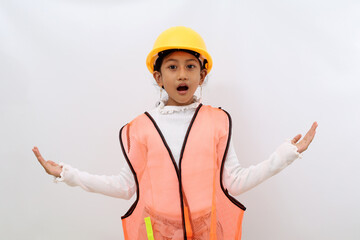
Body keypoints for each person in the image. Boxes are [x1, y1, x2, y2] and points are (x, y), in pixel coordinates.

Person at [33, 26, 318, 240]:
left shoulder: (217, 120)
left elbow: (235, 181)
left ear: (201, 76)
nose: (182, 74)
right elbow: (126, 186)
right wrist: (67, 174)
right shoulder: (139, 128)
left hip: (208, 229)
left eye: (190, 66)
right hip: (157, 230)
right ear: (158, 77)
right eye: (172, 67)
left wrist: (285, 155)